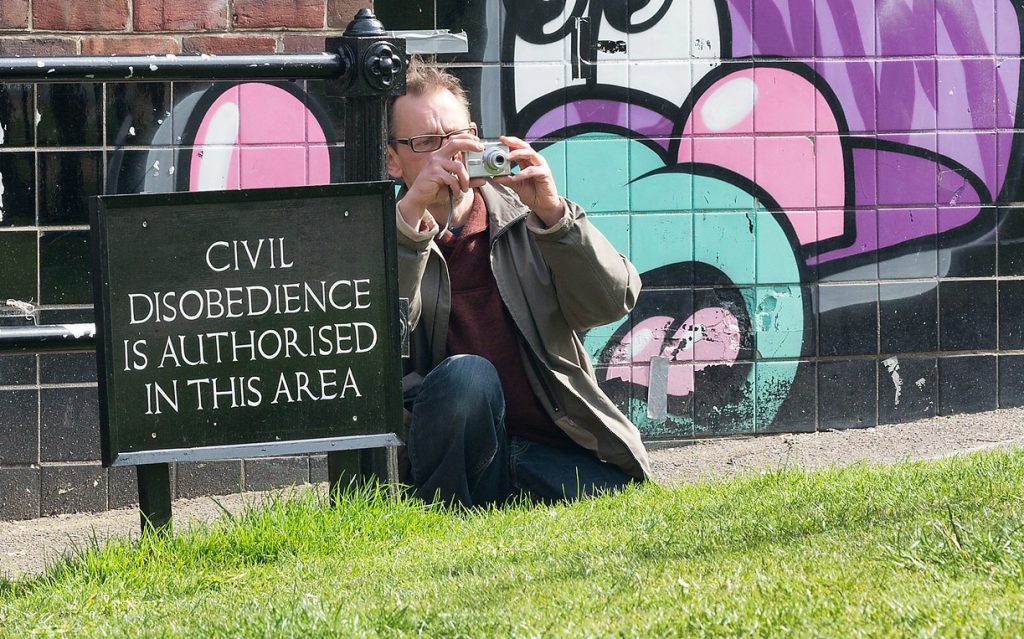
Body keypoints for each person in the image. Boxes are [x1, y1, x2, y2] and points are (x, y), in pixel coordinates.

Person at [389, 57, 651, 507]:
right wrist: (409, 224)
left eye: (457, 137)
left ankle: (500, 499)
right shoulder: (380, 234)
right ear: (393, 161)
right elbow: (378, 341)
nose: (447, 154)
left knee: (623, 501)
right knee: (468, 376)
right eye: (425, 143)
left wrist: (556, 217)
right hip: (448, 458)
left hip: (542, 446)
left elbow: (613, 301)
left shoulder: (530, 219)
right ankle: (450, 514)